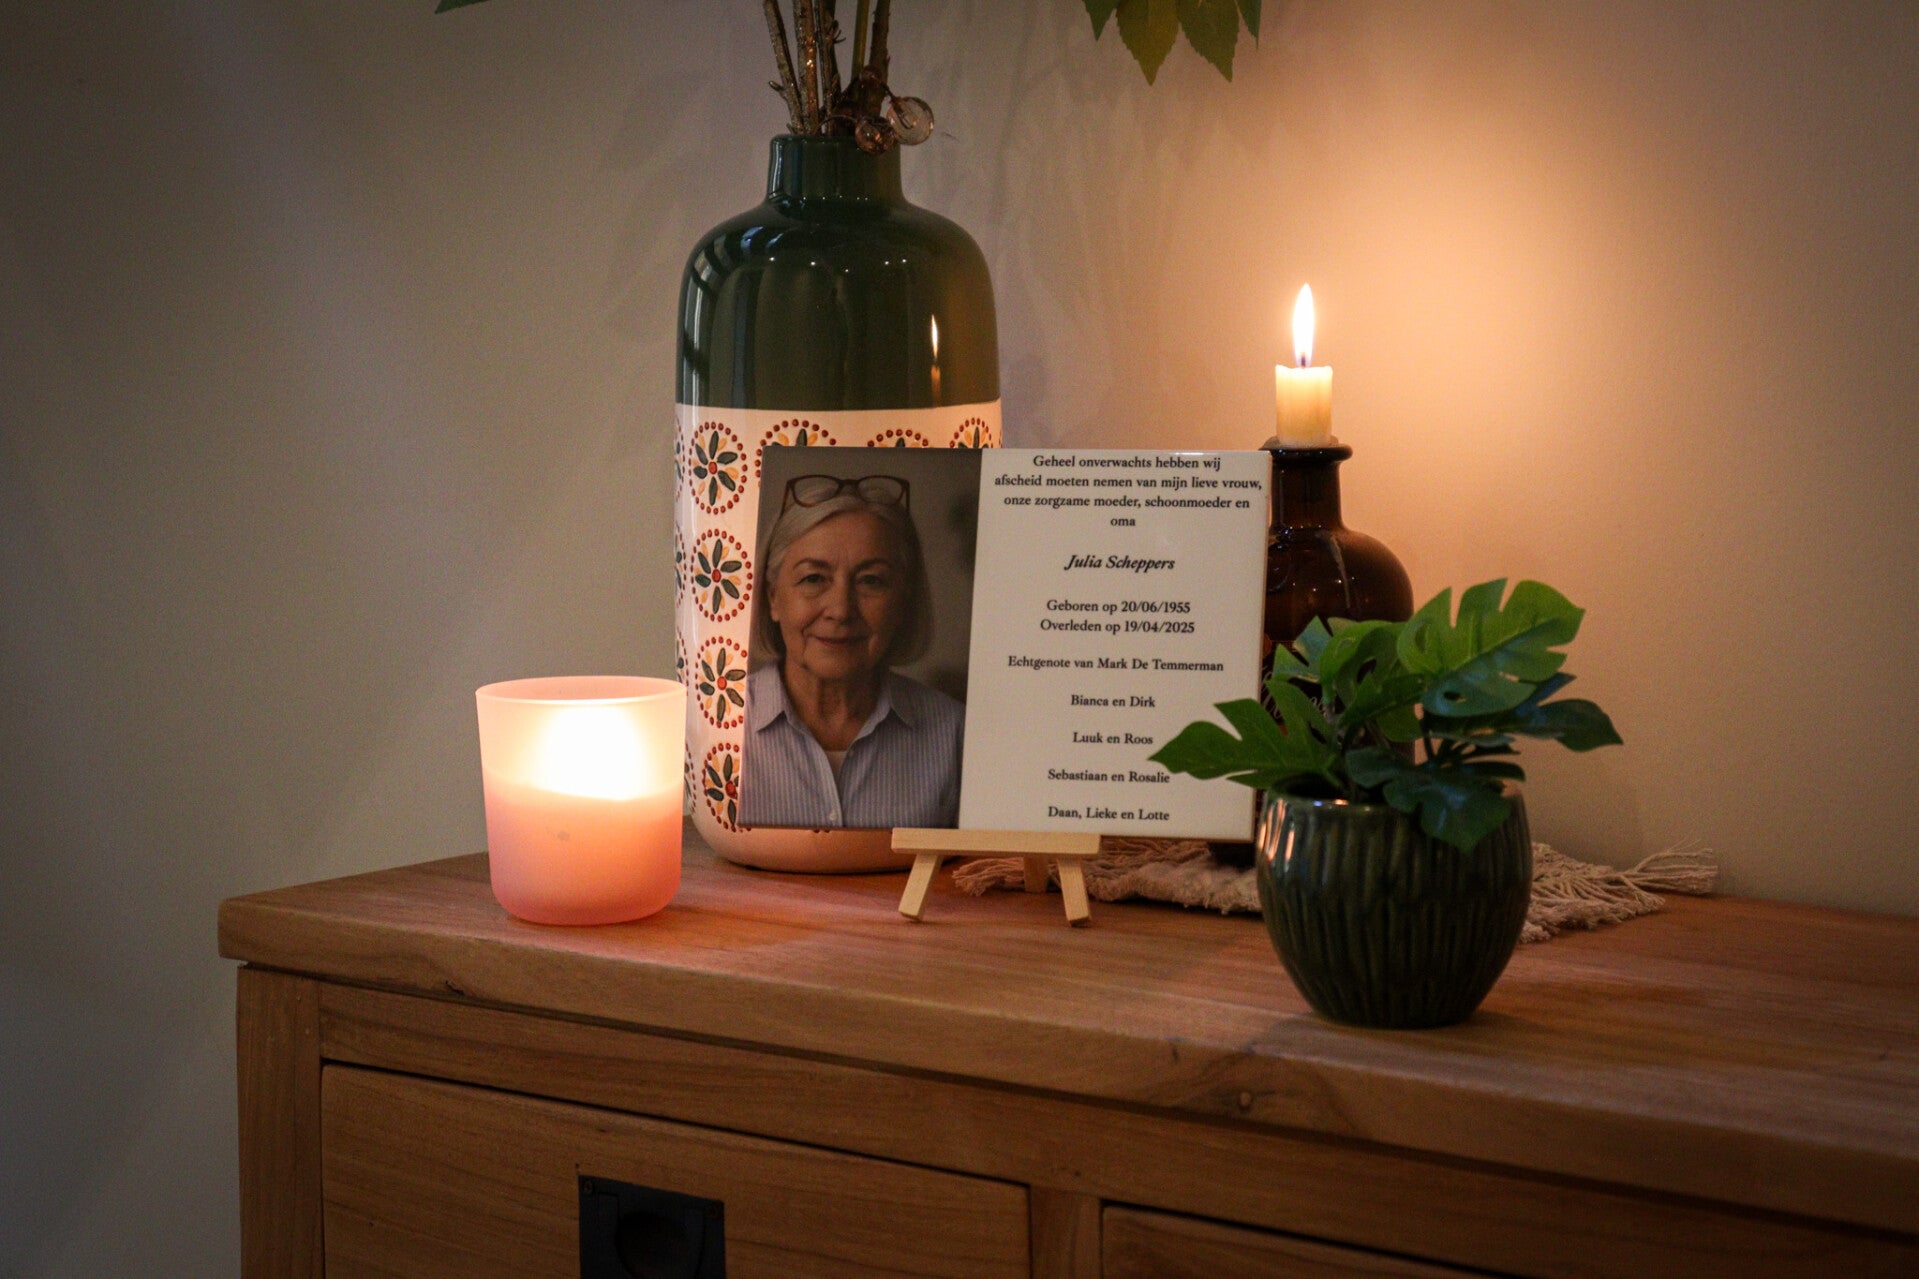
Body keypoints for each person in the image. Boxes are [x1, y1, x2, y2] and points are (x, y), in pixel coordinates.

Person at [739, 473, 963, 828]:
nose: (841, 610)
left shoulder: (956, 735)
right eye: (814, 579)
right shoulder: (717, 726)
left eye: (870, 580)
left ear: (902, 601)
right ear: (772, 598)